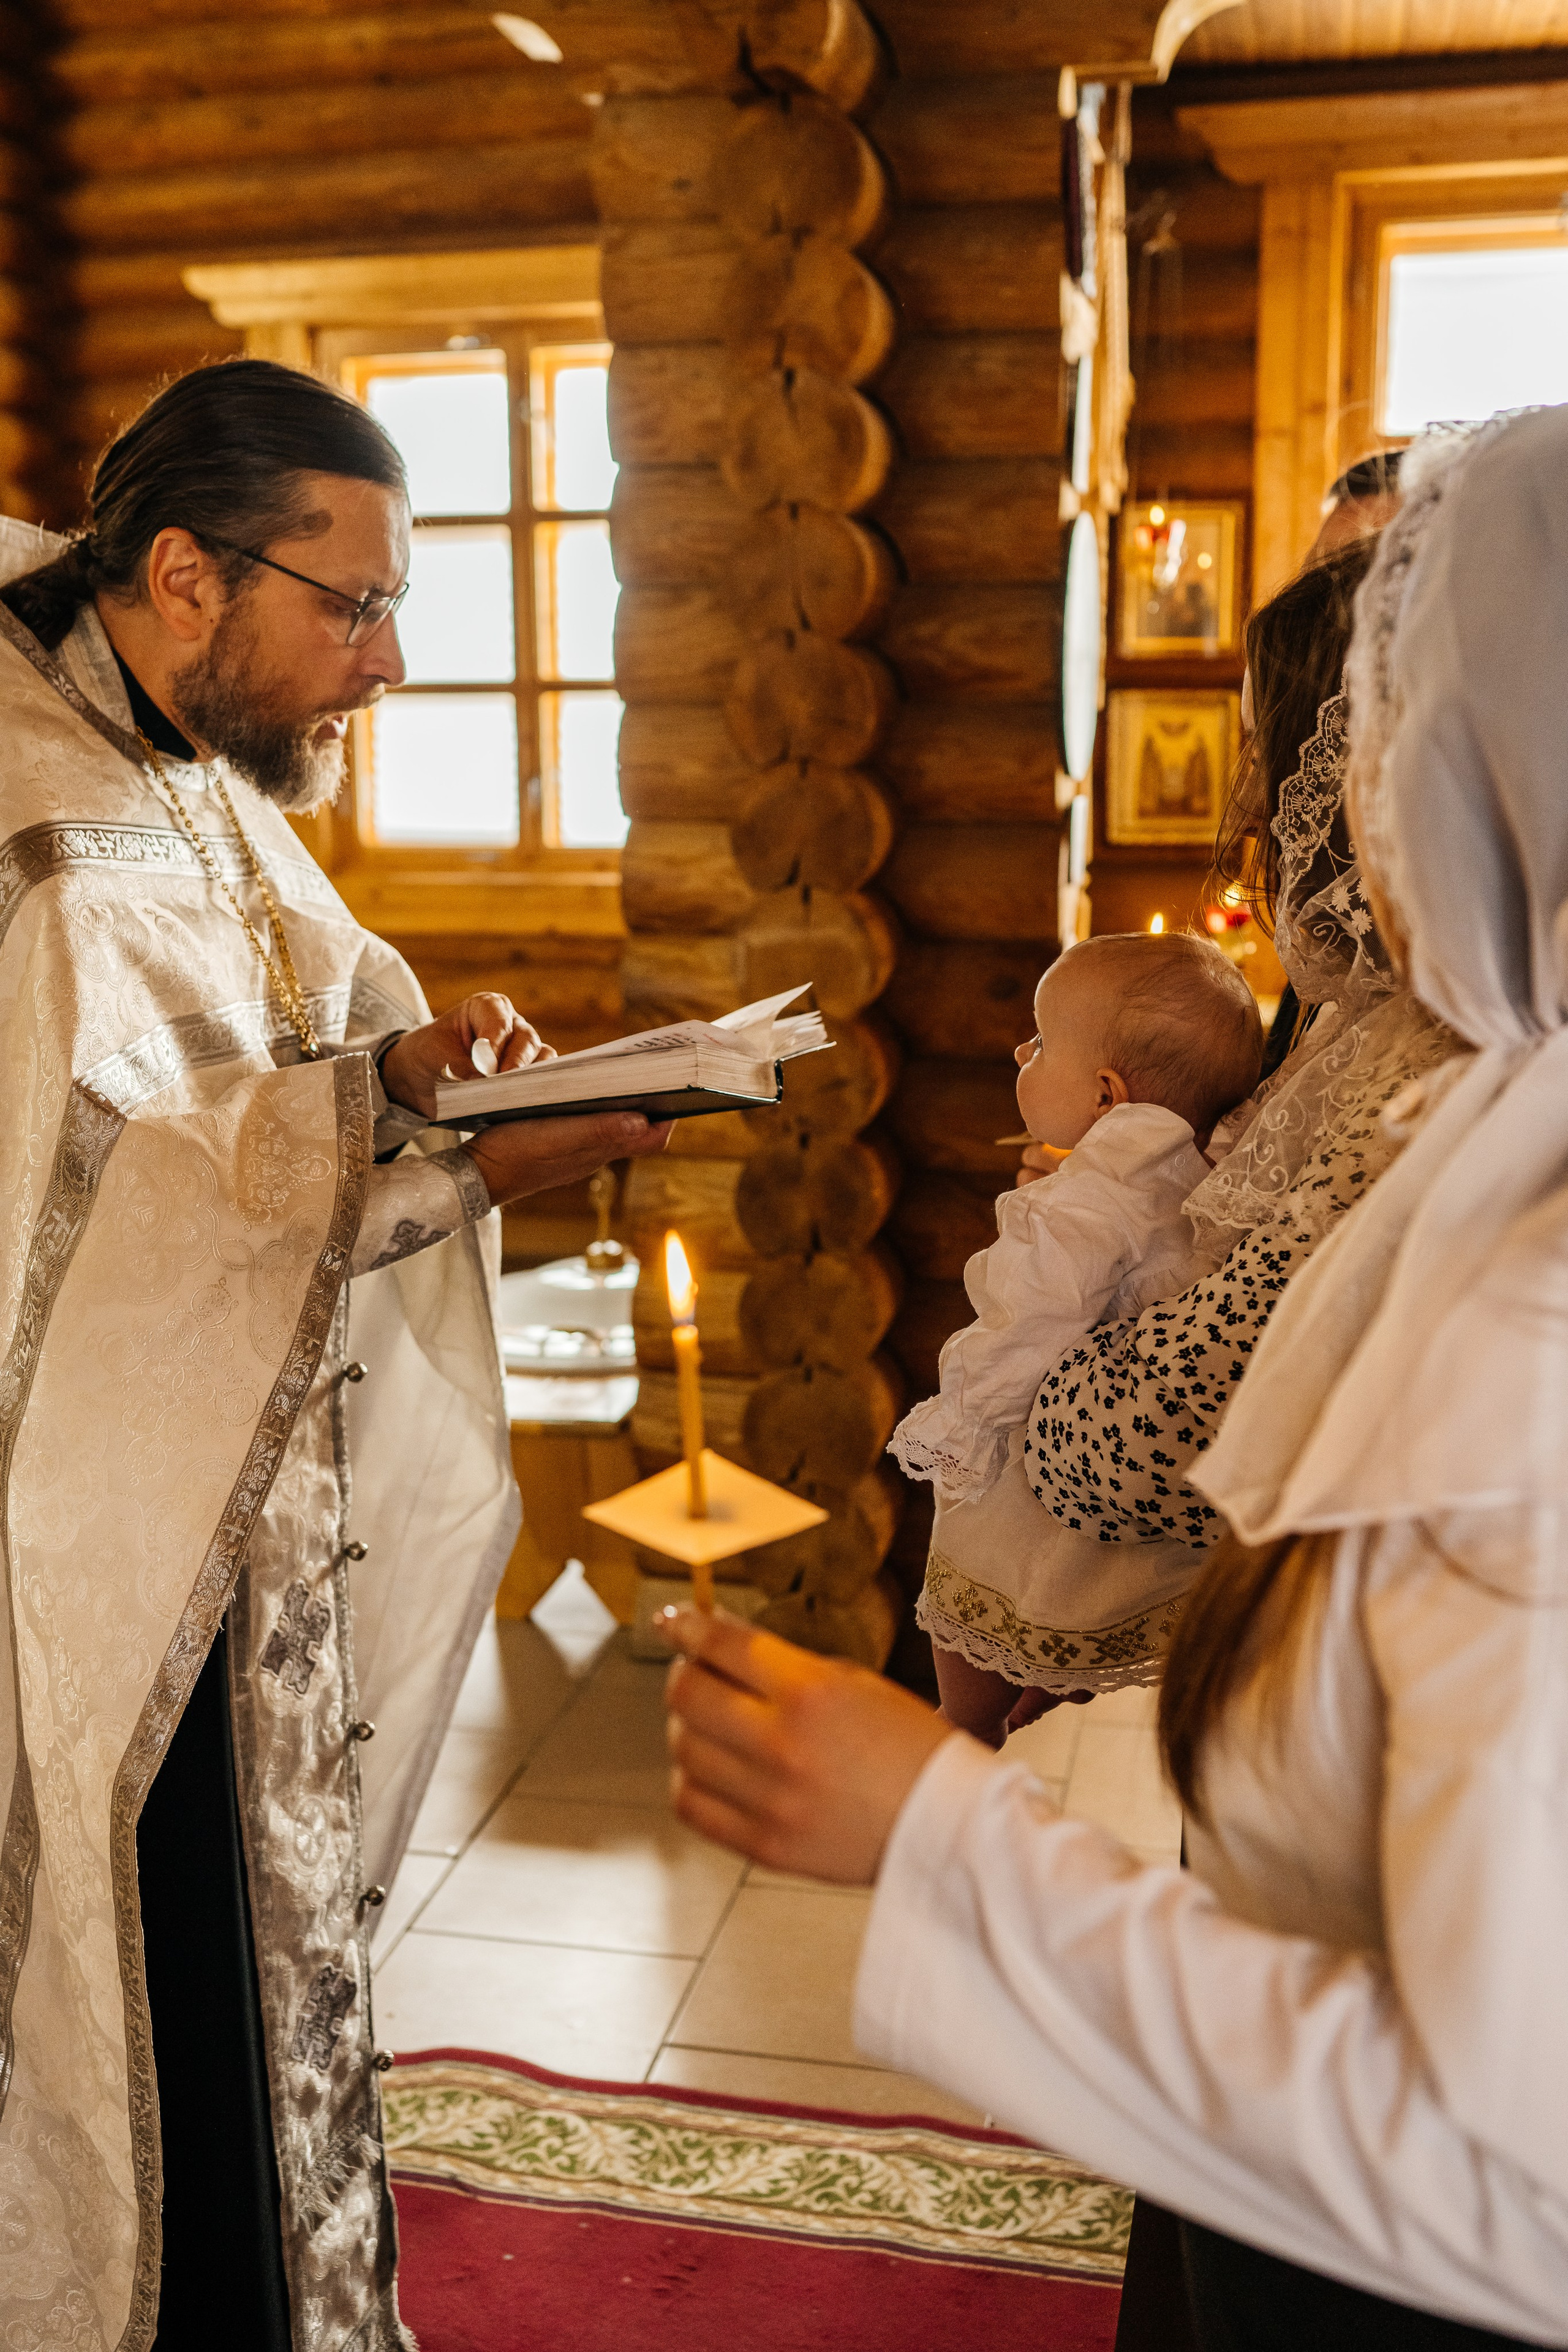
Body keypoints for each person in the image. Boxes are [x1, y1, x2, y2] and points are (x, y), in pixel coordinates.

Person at [663, 403, 1568, 2345]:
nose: (1335, 810)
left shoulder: (1527, 1264)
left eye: (1396, 737)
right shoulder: (1506, 1115)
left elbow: (1505, 2167)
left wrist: (936, 1826)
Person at [0, 359, 670, 2351]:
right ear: (189, 572)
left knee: (253, 1979)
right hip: (92, 1538)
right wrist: (390, 1109)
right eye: (353, 605)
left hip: (226, 1494)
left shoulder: (178, 756)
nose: (383, 662)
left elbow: (294, 1021)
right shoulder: (35, 807)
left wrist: (413, 1062)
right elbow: (75, 1193)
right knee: (152, 1994)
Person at [889, 933, 1261, 1746]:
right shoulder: (1193, 1175)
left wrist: (961, 1422)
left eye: (1042, 1040)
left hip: (1038, 1459)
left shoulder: (1076, 1212)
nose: (1022, 1050)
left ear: (1104, 1095)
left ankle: (964, 1722)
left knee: (970, 1565)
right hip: (1132, 1495)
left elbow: (1026, 1329)